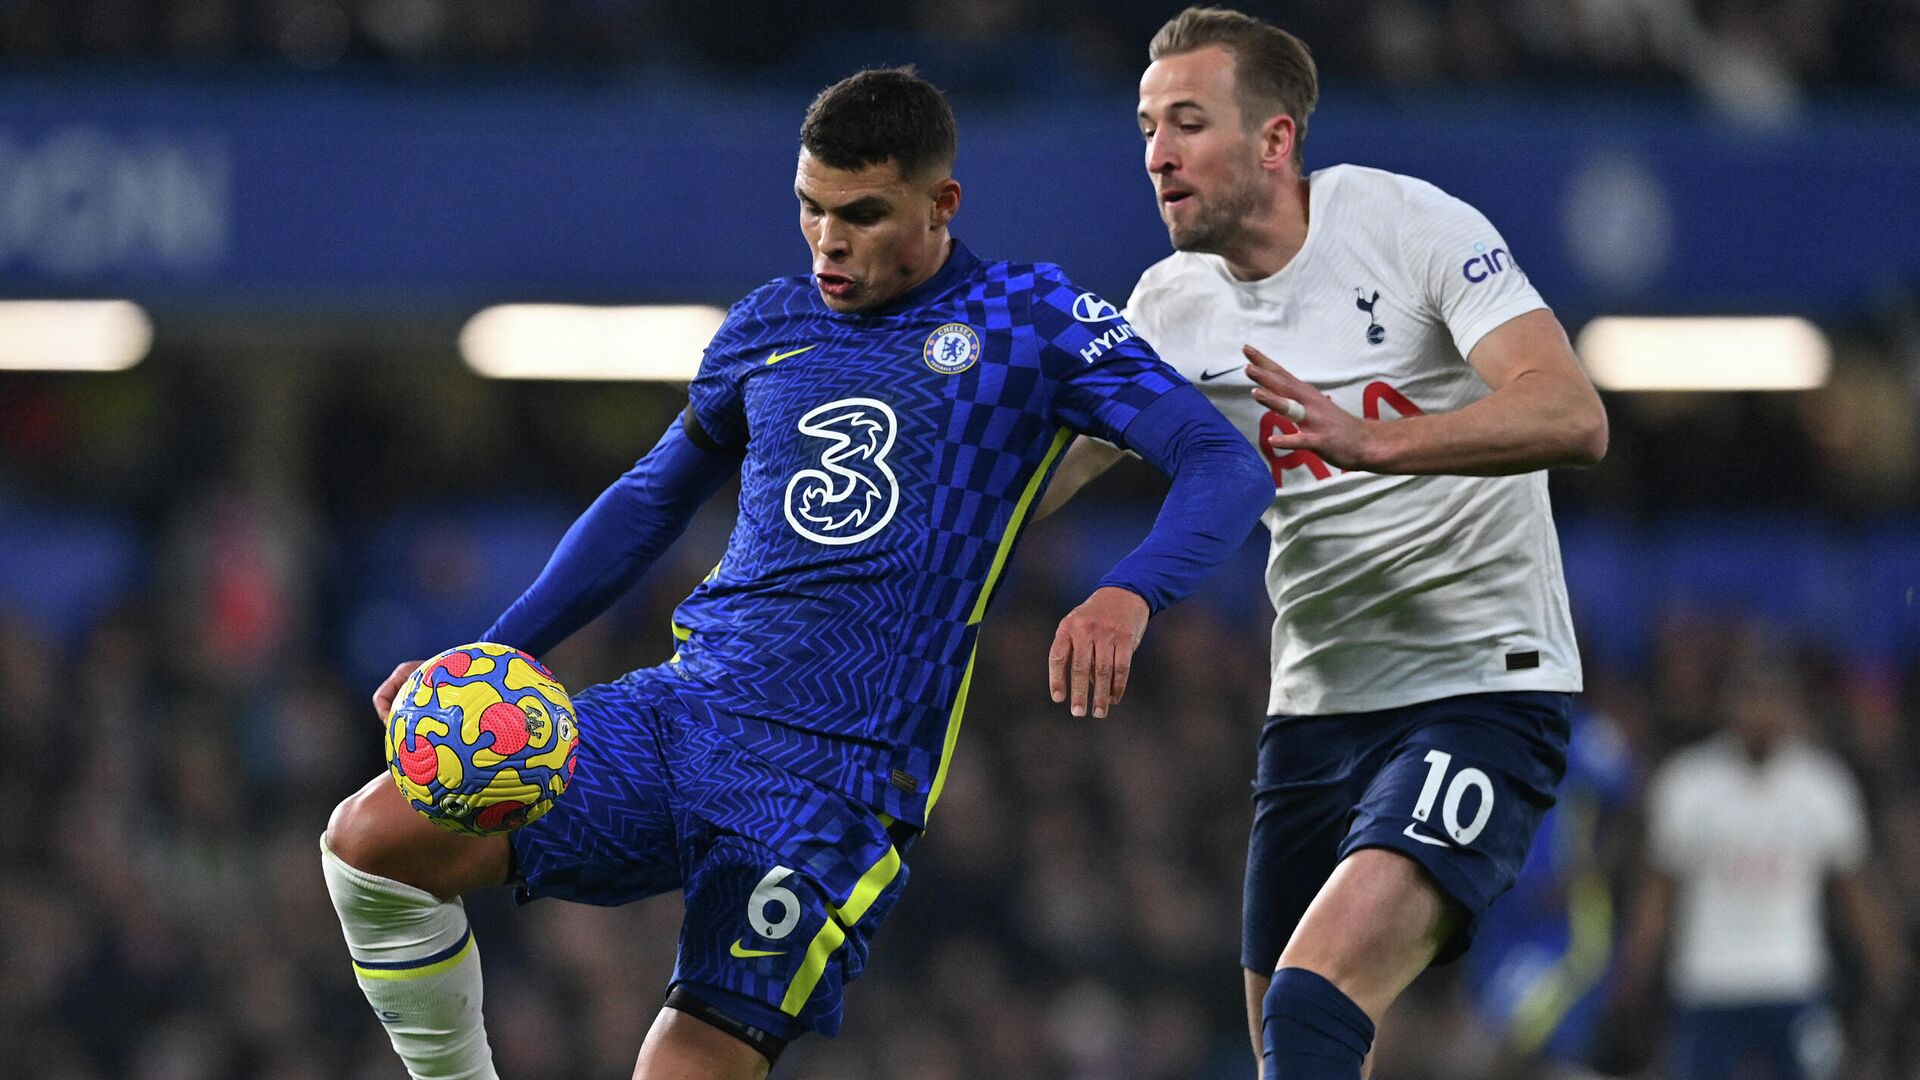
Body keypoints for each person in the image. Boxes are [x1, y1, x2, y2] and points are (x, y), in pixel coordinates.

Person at [319, 66, 1273, 1080]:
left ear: (942, 204)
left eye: (862, 214)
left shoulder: (1029, 321)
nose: (828, 240)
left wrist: (1132, 589)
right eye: (811, 209)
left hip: (832, 781)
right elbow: (649, 501)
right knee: (369, 840)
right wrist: (492, 651)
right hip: (684, 714)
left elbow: (1223, 462)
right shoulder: (770, 325)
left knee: (682, 1069)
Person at [1038, 8, 1610, 1078]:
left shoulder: (1409, 228)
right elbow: (1041, 479)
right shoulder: (1172, 305)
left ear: (1275, 140)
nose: (1156, 154)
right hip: (1310, 721)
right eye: (1147, 126)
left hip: (1481, 691)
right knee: (1292, 1054)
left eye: (1188, 122)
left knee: (1311, 1001)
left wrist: (1376, 439)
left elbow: (1571, 414)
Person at [1619, 659, 1910, 1080]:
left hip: (1793, 980)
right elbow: (1658, 890)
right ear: (1727, 705)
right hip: (1709, 981)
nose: (1759, 711)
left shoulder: (1822, 785)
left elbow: (1854, 889)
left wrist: (1886, 963)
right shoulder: (1689, 783)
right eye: (1748, 698)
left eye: (1771, 698)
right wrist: (1637, 968)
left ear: (1792, 707)